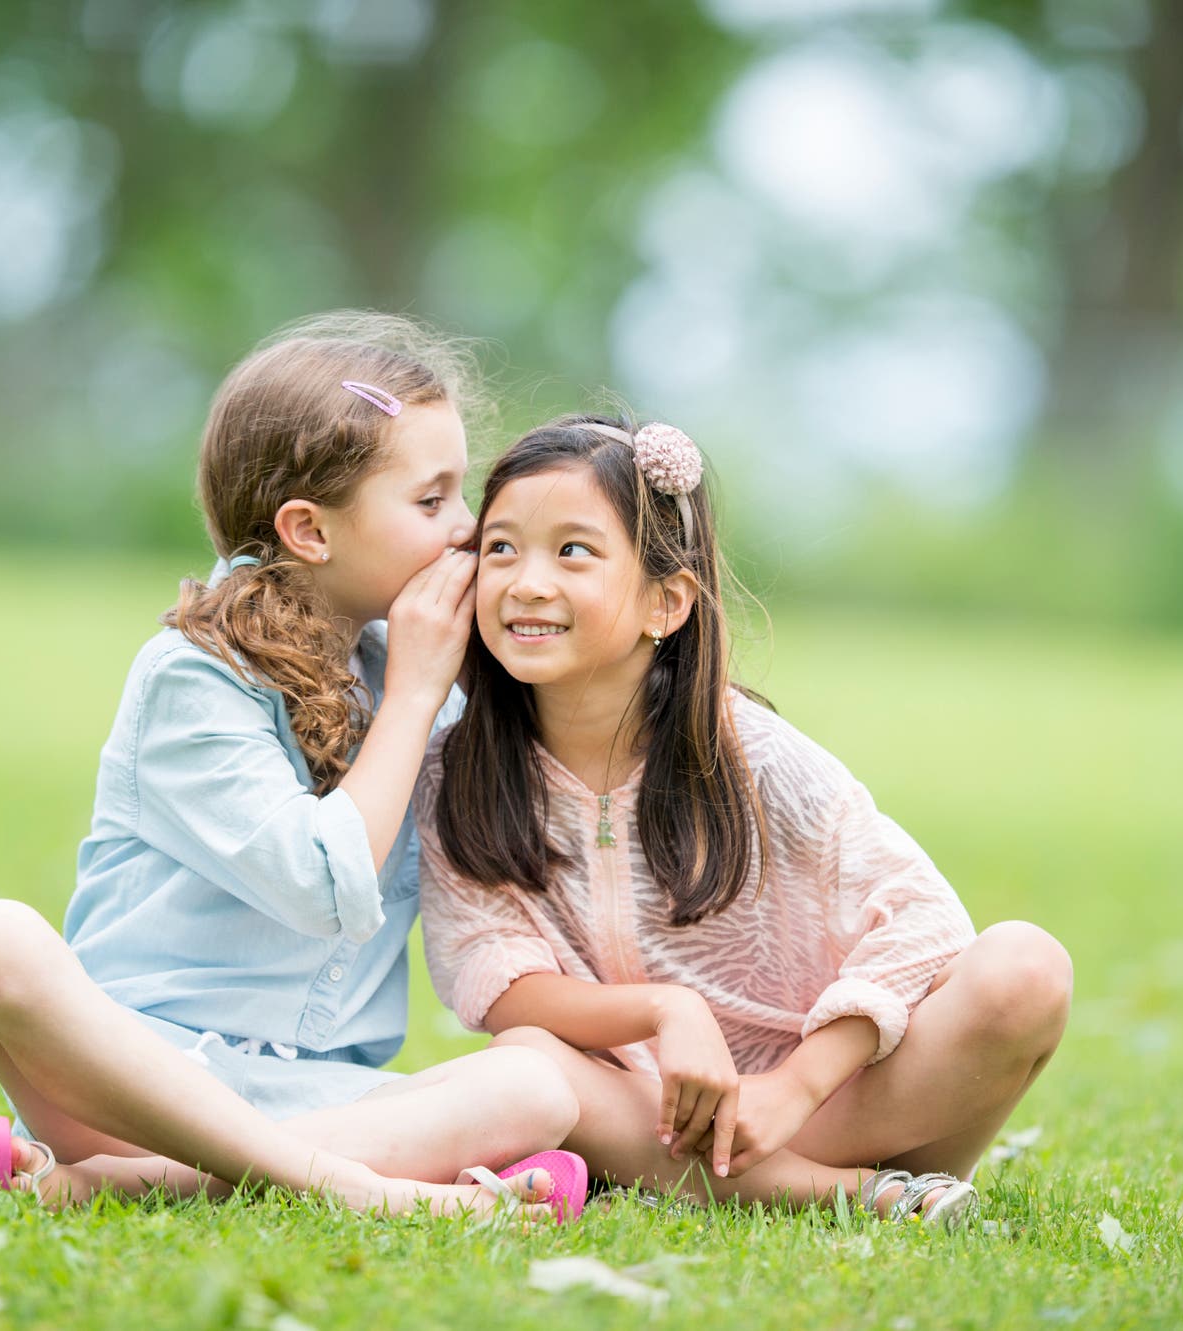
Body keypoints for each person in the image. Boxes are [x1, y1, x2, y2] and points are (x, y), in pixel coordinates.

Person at [0, 314, 582, 1219]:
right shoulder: (194, 677)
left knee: (542, 1087)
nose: (468, 530)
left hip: (316, 1095)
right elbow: (323, 885)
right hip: (132, 1087)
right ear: (309, 531)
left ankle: (131, 1185)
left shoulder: (405, 657)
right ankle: (363, 1191)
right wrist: (411, 698)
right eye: (432, 502)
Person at [417, 414, 1071, 1226]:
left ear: (666, 600)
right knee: (529, 1059)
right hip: (633, 1110)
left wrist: (795, 1086)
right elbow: (501, 984)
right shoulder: (456, 770)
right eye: (501, 548)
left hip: (817, 1103)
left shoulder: (749, 753)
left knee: (1026, 968)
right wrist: (665, 1009)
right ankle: (860, 1193)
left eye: (573, 551)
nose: (525, 581)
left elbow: (923, 919)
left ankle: (771, 1174)